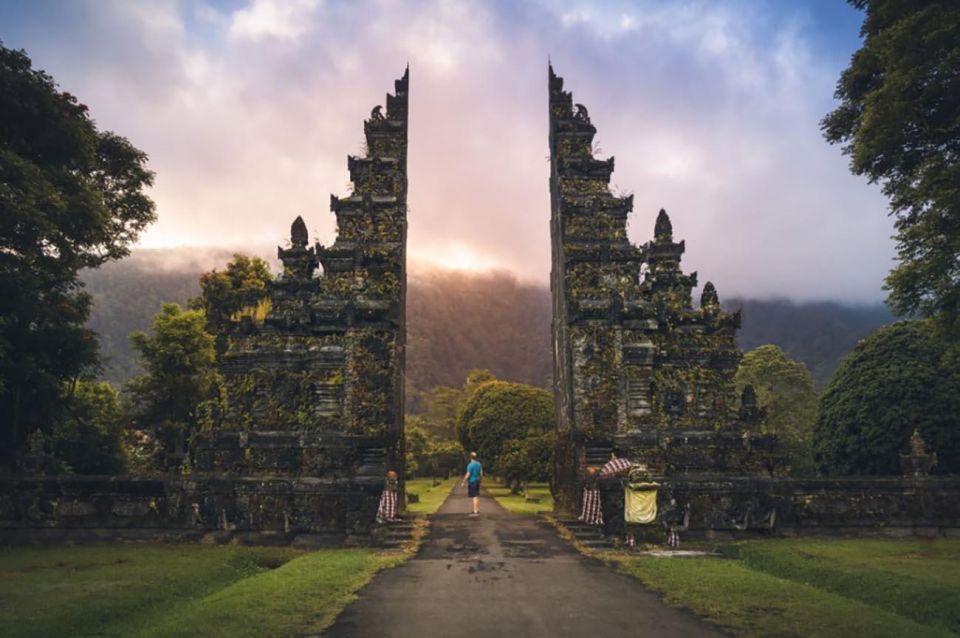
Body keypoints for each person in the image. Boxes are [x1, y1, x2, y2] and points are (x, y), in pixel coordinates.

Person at [460, 452, 483, 516]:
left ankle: (475, 511)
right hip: (477, 481)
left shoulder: (470, 465)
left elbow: (468, 474)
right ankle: (477, 510)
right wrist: (481, 480)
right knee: (476, 496)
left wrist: (463, 481)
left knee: (474, 496)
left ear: (470, 457)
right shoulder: (479, 464)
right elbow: (481, 473)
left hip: (472, 481)